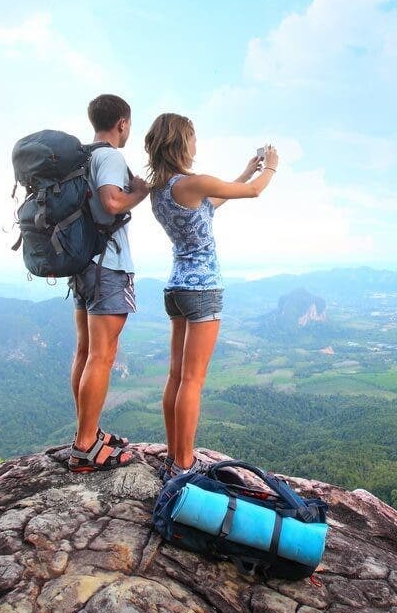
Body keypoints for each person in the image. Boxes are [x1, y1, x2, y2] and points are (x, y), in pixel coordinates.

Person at [144, 113, 279, 478]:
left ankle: (175, 455)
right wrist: (271, 169)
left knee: (175, 376)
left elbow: (211, 204)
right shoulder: (194, 182)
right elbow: (253, 193)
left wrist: (246, 171)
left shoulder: (160, 190)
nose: (196, 144)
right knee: (192, 380)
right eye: (192, 138)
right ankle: (184, 464)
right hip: (202, 290)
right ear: (180, 143)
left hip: (175, 289)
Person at [67, 94, 150, 472]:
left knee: (85, 352)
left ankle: (89, 432)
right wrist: (139, 194)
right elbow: (112, 202)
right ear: (122, 123)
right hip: (108, 266)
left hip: (83, 263)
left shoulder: (82, 156)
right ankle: (86, 446)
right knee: (102, 355)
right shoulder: (111, 157)